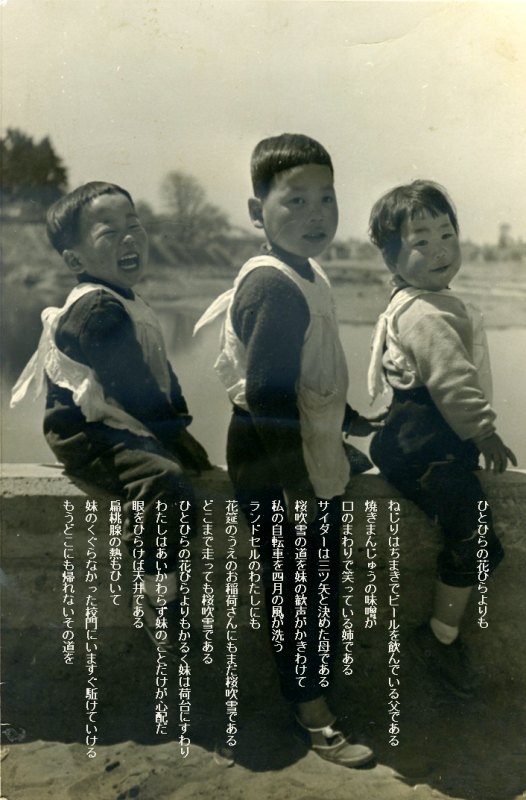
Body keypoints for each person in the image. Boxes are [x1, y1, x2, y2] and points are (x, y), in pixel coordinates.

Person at [195, 133, 382, 768]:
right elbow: (269, 397)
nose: (315, 215)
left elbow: (312, 373)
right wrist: (297, 484)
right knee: (299, 588)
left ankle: (316, 689)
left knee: (317, 580)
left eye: (326, 199)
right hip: (274, 460)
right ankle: (312, 714)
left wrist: (349, 423)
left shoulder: (308, 272)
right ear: (257, 213)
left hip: (299, 451)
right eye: (295, 201)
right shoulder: (272, 287)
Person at [11, 181, 212, 656]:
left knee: (180, 466)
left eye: (134, 225)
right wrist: (173, 437)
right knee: (161, 479)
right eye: (109, 232)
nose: (129, 238)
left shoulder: (127, 299)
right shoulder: (97, 308)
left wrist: (178, 423)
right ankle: (158, 597)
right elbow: (135, 387)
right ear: (75, 259)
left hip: (119, 417)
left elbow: (159, 372)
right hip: (86, 430)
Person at [367, 179, 517, 697]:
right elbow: (452, 380)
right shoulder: (426, 312)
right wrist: (485, 432)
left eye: (447, 235)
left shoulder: (420, 301)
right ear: (391, 258)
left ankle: (443, 633)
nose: (440, 251)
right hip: (423, 449)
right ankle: (438, 637)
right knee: (475, 538)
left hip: (420, 441)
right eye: (421, 241)